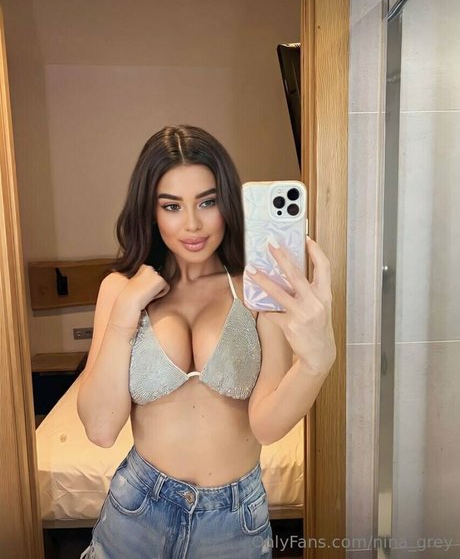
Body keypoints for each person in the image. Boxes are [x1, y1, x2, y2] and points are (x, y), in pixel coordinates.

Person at [77, 124, 336, 558]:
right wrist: (125, 314)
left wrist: (316, 363)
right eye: (172, 206)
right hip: (137, 511)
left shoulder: (257, 290)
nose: (192, 224)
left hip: (233, 521)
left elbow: (267, 426)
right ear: (151, 211)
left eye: (207, 202)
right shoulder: (119, 290)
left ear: (227, 204)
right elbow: (101, 430)